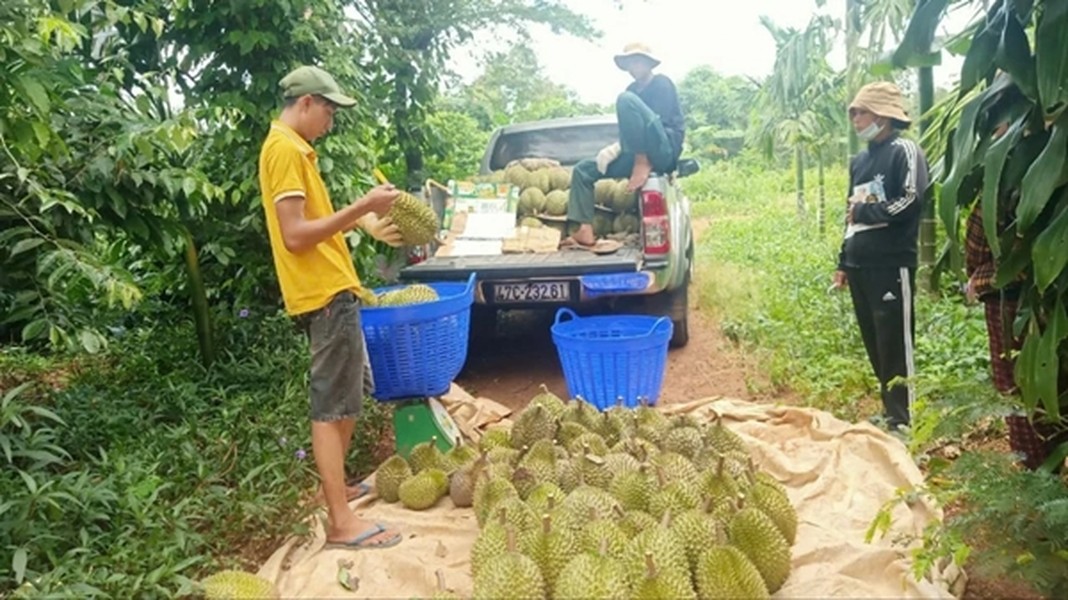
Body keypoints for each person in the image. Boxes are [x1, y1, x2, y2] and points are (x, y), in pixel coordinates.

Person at [258, 65, 405, 549]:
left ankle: (336, 490)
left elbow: (313, 226)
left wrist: (358, 225)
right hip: (322, 295)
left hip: (335, 290)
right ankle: (341, 523)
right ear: (305, 103)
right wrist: (362, 207)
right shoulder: (283, 149)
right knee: (330, 407)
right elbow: (295, 237)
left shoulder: (296, 150)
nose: (331, 120)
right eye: (329, 109)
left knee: (350, 395)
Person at [833, 81, 930, 434]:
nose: (855, 119)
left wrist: (865, 213)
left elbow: (911, 200)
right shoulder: (859, 161)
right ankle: (891, 414)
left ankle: (905, 422)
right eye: (854, 113)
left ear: (884, 115)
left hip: (891, 264)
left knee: (895, 344)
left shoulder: (904, 151)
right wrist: (843, 262)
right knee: (875, 342)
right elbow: (850, 215)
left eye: (861, 112)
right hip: (861, 266)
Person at [562, 42, 685, 248]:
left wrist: (641, 158)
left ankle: (642, 161)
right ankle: (584, 229)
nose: (634, 67)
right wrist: (614, 149)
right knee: (583, 170)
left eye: (638, 61)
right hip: (640, 149)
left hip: (663, 149)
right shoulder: (632, 90)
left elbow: (658, 124)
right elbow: (631, 131)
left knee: (625, 99)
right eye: (630, 62)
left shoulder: (662, 84)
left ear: (648, 63)